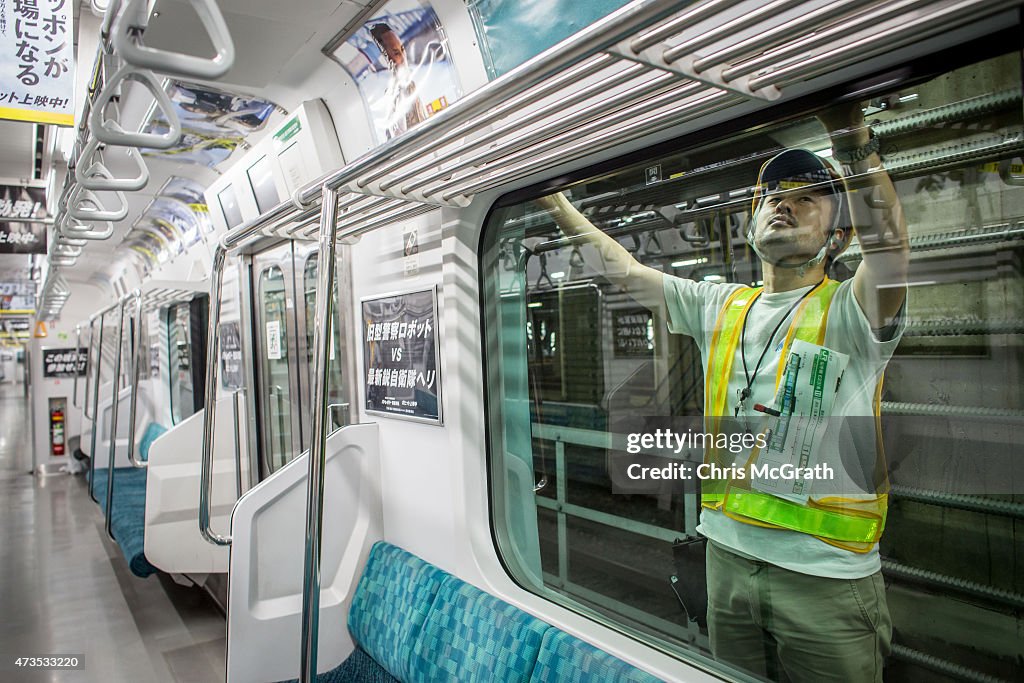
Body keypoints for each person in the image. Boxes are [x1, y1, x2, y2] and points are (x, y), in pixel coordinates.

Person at [537, 103, 908, 683]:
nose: (782, 203)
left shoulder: (850, 311)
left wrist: (851, 139)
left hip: (824, 574)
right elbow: (624, 272)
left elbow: (889, 250)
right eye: (771, 197)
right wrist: (557, 204)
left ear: (837, 237)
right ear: (751, 224)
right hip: (727, 556)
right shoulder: (721, 305)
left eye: (805, 197)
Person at [369, 22, 427, 140]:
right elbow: (400, 138)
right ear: (386, 58)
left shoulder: (409, 85)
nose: (404, 57)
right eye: (396, 53)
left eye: (402, 50)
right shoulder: (393, 94)